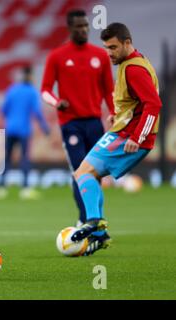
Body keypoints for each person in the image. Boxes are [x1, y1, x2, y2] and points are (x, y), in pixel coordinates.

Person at [72, 23, 162, 255]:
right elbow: (136, 102)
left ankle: (94, 223)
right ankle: (99, 231)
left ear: (127, 43)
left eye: (113, 47)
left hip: (128, 136)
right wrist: (118, 115)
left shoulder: (134, 69)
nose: (109, 52)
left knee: (83, 173)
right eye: (106, 48)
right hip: (122, 131)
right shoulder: (132, 62)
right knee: (87, 173)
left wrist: (137, 136)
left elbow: (153, 104)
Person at [41, 9, 115, 226]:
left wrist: (113, 113)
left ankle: (96, 218)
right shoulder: (57, 56)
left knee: (96, 174)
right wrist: (57, 102)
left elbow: (108, 89)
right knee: (80, 171)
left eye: (85, 26)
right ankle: (84, 219)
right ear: (70, 28)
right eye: (79, 26)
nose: (83, 30)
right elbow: (45, 89)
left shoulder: (100, 55)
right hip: (70, 124)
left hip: (94, 123)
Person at [0, 66, 49, 200]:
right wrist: (44, 127)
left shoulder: (13, 90)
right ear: (30, 76)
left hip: (10, 128)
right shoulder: (32, 91)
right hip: (24, 130)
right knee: (24, 158)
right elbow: (37, 112)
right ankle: (25, 188)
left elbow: (3, 110)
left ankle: (2, 188)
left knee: (8, 158)